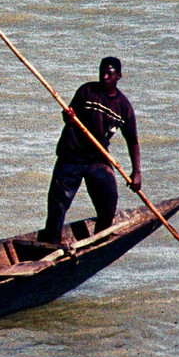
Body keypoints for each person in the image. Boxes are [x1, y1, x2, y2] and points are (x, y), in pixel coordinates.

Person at [41, 56, 141, 245]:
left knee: (108, 204)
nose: (104, 77)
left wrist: (136, 173)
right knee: (58, 204)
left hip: (98, 159)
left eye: (109, 74)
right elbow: (70, 116)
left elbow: (132, 141)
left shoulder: (123, 107)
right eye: (102, 72)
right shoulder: (87, 91)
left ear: (118, 76)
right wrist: (68, 116)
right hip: (72, 155)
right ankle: (51, 245)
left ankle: (99, 241)